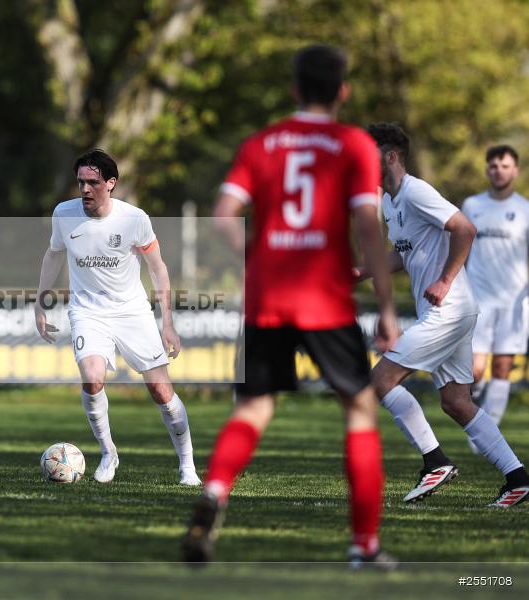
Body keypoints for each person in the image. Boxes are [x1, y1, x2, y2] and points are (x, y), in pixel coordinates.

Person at [181, 45, 399, 567]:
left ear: (295, 89)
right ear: (343, 90)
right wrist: (386, 304)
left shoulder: (262, 143)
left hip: (268, 294)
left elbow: (223, 216)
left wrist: (254, 254)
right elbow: (367, 227)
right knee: (360, 409)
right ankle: (363, 546)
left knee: (255, 405)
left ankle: (213, 491)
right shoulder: (351, 144)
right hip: (324, 296)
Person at [360, 123, 529, 509]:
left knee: (379, 381)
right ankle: (518, 478)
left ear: (390, 157)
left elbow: (464, 229)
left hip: (448, 311)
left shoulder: (416, 191)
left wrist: (445, 279)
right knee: (455, 402)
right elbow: (404, 253)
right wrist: (364, 270)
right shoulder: (390, 201)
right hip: (448, 312)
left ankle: (435, 461)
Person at [34, 148, 200, 486]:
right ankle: (109, 452)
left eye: (93, 182)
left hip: (132, 312)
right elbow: (53, 256)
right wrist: (39, 301)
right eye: (80, 182)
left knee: (160, 391)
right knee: (92, 378)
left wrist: (167, 321)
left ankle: (188, 465)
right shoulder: (64, 214)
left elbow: (157, 267)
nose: (85, 189)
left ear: (111, 183)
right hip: (87, 311)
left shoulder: (134, 218)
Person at [461, 145, 528, 433]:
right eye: (493, 166)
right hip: (478, 300)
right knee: (474, 371)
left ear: (516, 170)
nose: (498, 170)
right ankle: (478, 422)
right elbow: (459, 248)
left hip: (514, 303)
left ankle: (487, 434)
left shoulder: (525, 209)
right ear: (487, 169)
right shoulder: (472, 205)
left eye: (504, 165)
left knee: (502, 368)